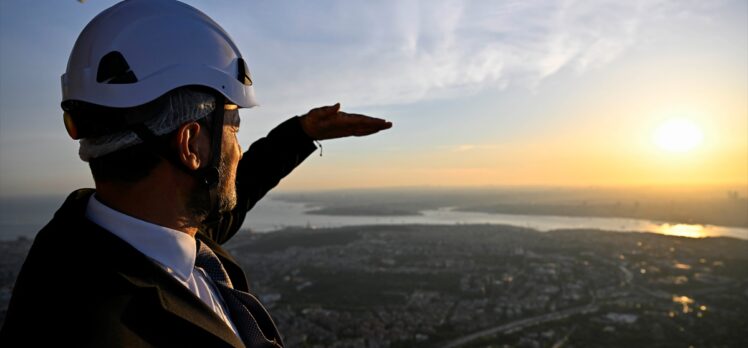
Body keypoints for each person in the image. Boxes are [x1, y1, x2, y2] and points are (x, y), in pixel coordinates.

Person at [0, 0, 391, 347]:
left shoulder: (107, 247)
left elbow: (238, 190)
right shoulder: (99, 327)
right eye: (234, 126)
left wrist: (300, 133)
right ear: (191, 145)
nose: (237, 148)